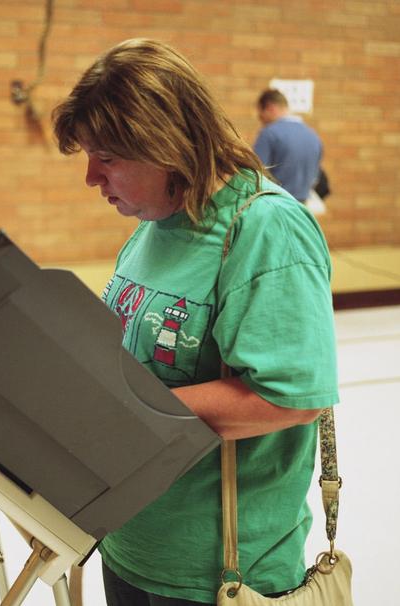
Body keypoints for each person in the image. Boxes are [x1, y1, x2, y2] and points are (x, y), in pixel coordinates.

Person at [52, 39, 339, 605]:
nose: (90, 177)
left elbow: (291, 399)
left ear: (165, 146)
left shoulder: (264, 227)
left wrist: (126, 407)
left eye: (107, 158)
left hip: (219, 571)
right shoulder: (155, 221)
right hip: (130, 541)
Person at [253, 88, 323, 204]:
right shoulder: (313, 135)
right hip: (302, 206)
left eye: (261, 115)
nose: (261, 121)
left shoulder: (269, 133)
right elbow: (316, 176)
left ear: (270, 108)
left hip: (275, 205)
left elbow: (256, 174)